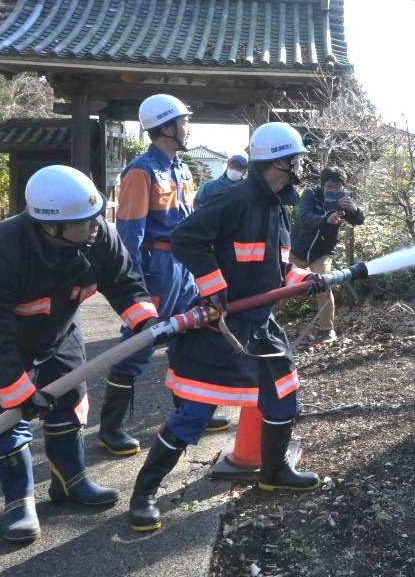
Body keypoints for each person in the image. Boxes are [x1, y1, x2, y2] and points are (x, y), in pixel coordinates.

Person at [128, 122, 325, 532]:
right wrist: (214, 288)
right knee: (193, 414)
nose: (301, 166)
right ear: (281, 163)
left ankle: (273, 473)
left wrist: (298, 282)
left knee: (282, 398)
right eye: (297, 160)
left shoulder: (276, 208)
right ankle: (144, 493)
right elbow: (185, 239)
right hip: (219, 330)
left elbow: (275, 268)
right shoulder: (234, 201)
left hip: (260, 327)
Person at [0, 165, 159, 542]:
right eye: (85, 222)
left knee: (69, 404)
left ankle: (71, 480)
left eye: (97, 216)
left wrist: (143, 322)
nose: (96, 225)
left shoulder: (97, 236)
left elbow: (125, 282)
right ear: (51, 226)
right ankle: (20, 500)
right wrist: (18, 395)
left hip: (58, 335)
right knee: (5, 419)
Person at [99, 93, 230, 456]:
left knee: (185, 338)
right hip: (157, 270)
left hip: (184, 268)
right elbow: (129, 235)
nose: (188, 127)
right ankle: (110, 428)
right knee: (139, 342)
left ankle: (186, 412)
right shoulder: (140, 171)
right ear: (167, 127)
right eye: (184, 121)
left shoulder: (182, 168)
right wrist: (136, 285)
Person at [289, 166, 365, 342]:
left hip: (322, 252)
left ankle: (326, 330)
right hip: (297, 250)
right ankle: (266, 321)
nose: (333, 189)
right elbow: (305, 217)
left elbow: (359, 220)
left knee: (323, 281)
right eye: (330, 185)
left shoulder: (343, 201)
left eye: (338, 186)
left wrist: (354, 209)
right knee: (280, 284)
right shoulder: (311, 193)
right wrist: (325, 219)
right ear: (323, 185)